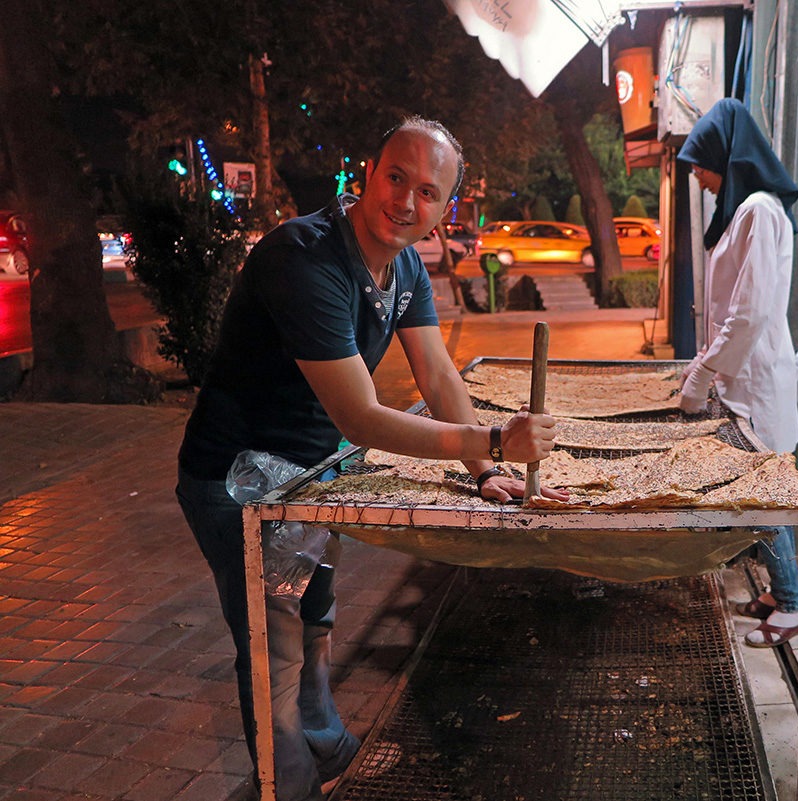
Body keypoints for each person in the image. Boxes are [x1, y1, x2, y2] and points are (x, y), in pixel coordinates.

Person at [175, 116, 567, 801]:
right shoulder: (304, 258)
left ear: (445, 207)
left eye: (427, 191)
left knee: (315, 614)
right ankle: (287, 786)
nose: (406, 202)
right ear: (368, 171)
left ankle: (326, 747)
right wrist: (495, 441)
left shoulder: (406, 264)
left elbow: (439, 378)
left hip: (308, 478)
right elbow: (358, 415)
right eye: (396, 177)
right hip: (236, 480)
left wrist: (486, 470)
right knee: (273, 644)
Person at [675, 98, 798, 648]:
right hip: (745, 379)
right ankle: (782, 592)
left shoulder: (759, 210)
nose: (702, 182)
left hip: (754, 381)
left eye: (702, 168)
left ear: (726, 160)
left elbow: (749, 313)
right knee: (759, 493)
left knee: (765, 496)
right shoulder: (747, 210)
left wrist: (702, 374)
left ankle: (796, 604)